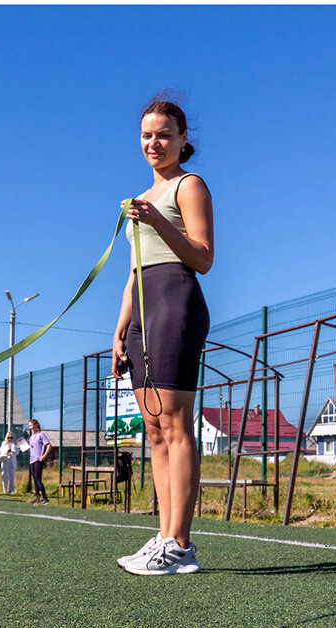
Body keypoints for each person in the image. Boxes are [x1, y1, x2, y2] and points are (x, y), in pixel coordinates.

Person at [114, 96, 213, 576]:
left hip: (176, 301)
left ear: (183, 138)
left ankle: (181, 543)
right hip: (143, 311)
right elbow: (135, 269)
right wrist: (119, 329)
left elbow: (202, 257)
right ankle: (164, 534)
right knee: (153, 429)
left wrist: (156, 221)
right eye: (147, 135)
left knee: (175, 425)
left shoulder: (188, 186)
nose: (155, 142)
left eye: (164, 134)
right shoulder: (142, 198)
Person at [27, 419, 52, 505]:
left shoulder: (41, 434)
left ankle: (45, 498)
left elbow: (49, 445)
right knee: (35, 479)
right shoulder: (32, 436)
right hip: (32, 459)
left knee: (37, 479)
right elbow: (32, 448)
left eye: (31, 426)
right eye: (29, 426)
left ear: (36, 425)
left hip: (38, 459)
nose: (30, 428)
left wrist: (44, 456)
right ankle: (37, 498)